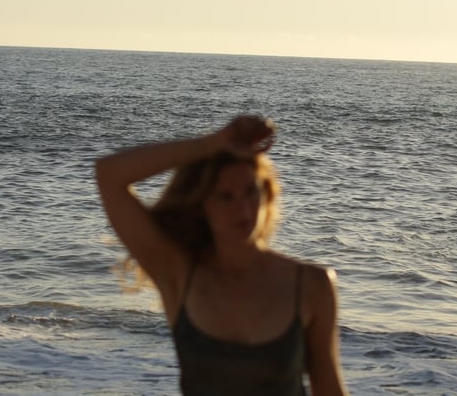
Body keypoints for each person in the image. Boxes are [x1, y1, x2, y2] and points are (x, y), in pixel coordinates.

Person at [96, 116, 349, 395]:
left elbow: (329, 389)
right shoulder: (180, 274)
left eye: (250, 192)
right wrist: (213, 143)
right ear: (202, 205)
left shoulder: (312, 284)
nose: (243, 210)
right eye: (225, 197)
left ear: (266, 194)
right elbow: (109, 174)